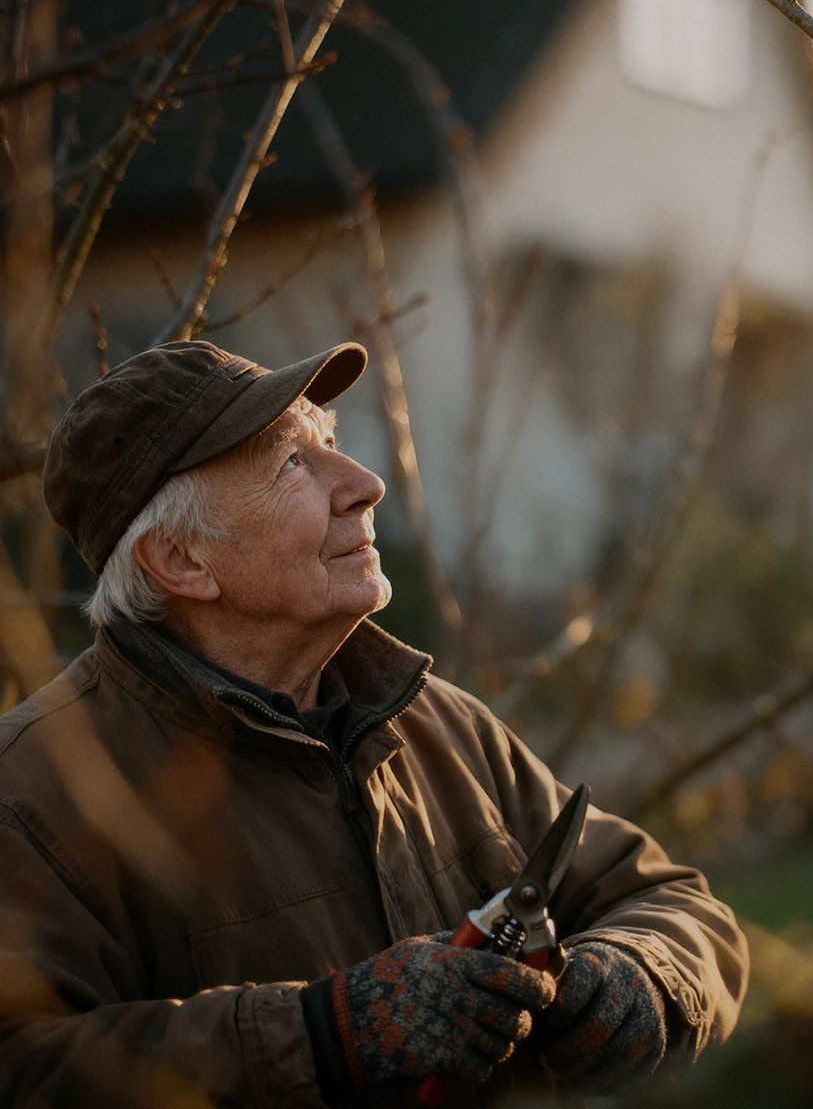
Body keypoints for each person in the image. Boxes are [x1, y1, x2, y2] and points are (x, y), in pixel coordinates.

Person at [0, 341, 746, 1106]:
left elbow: (672, 902)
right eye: (291, 462)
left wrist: (644, 976)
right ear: (182, 561)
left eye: (329, 442)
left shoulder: (438, 725)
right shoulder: (34, 795)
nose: (365, 484)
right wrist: (324, 1034)